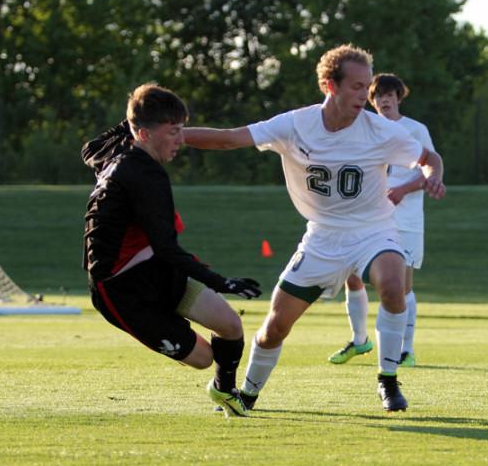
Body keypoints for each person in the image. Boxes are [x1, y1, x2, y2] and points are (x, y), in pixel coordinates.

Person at [184, 45, 446, 412]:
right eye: (356, 87)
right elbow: (230, 138)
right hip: (322, 236)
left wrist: (434, 175)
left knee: (392, 281)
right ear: (329, 85)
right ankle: (247, 394)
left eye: (367, 86)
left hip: (373, 229)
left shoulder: (381, 130)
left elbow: (427, 158)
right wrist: (175, 135)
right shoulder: (295, 125)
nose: (364, 95)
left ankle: (388, 380)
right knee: (276, 325)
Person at [82, 83, 262, 419]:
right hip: (122, 291)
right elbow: (167, 248)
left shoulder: (122, 149)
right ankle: (202, 365)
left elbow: (90, 148)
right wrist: (221, 281)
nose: (183, 140)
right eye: (175, 131)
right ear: (146, 134)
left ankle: (224, 392)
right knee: (204, 358)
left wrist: (136, 110)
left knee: (230, 325)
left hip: (154, 270)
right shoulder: (144, 177)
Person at [328, 73, 435, 368]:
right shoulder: (361, 128)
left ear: (399, 98)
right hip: (367, 217)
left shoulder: (415, 130)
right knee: (352, 275)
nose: (384, 100)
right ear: (371, 101)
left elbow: (430, 169)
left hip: (406, 218)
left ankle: (406, 349)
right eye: (378, 96)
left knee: (403, 284)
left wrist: (403, 189)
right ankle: (359, 339)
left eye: (390, 95)